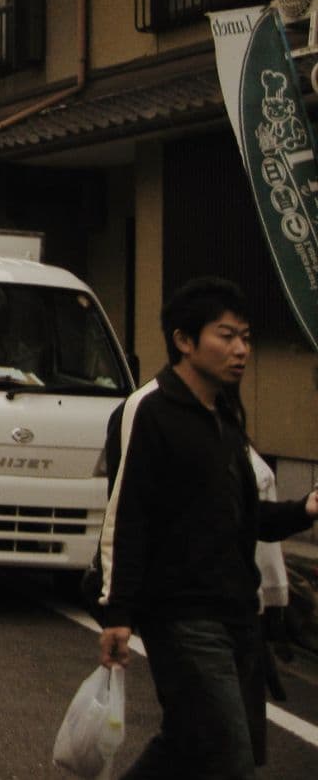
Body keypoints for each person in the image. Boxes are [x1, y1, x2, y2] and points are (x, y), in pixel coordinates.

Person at [95, 277, 318, 779]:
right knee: (229, 759)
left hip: (235, 612)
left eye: (246, 337)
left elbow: (243, 517)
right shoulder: (150, 411)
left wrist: (304, 508)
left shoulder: (224, 417)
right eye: (226, 335)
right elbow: (129, 515)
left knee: (185, 745)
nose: (241, 350)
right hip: (182, 616)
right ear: (184, 340)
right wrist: (118, 613)